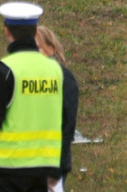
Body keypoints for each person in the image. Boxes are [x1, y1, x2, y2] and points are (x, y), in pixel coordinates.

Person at [0, 2, 64, 192]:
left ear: (7, 31)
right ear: (34, 33)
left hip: (6, 168)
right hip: (42, 168)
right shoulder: (54, 70)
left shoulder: (4, 70)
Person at [36, 26, 79, 192]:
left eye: (37, 48)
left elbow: (67, 128)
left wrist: (54, 171)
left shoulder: (64, 79)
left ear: (51, 49)